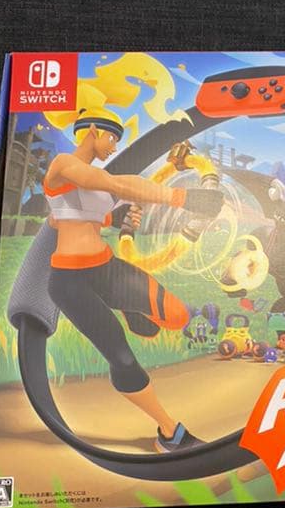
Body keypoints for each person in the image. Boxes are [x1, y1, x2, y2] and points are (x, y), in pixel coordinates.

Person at [44, 106, 224, 452]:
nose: (114, 146)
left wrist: (115, 220)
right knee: (123, 358)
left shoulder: (87, 180)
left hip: (106, 267)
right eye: (112, 137)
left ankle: (127, 307)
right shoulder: (65, 164)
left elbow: (64, 217)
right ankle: (169, 433)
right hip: (70, 282)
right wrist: (183, 198)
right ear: (92, 130)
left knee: (177, 316)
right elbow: (114, 183)